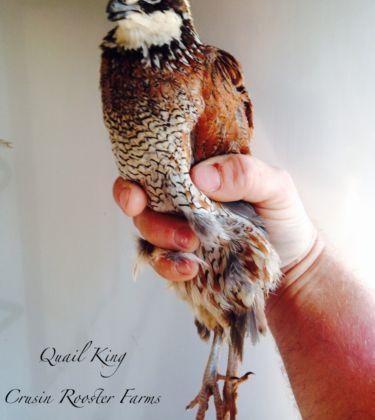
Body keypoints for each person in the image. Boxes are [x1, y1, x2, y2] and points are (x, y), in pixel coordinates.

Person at [113, 154, 375, 418]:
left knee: (219, 296)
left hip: (233, 241)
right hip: (227, 251)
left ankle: (217, 375)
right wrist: (302, 264)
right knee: (217, 299)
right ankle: (216, 374)